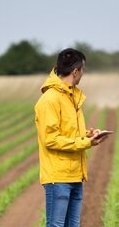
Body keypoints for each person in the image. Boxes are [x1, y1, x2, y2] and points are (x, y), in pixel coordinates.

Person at [34, 48, 109, 227]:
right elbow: (50, 139)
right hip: (58, 177)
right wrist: (85, 143)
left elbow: (68, 133)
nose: (83, 74)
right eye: (82, 70)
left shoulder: (71, 97)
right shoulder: (50, 100)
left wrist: (88, 135)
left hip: (75, 175)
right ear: (75, 71)